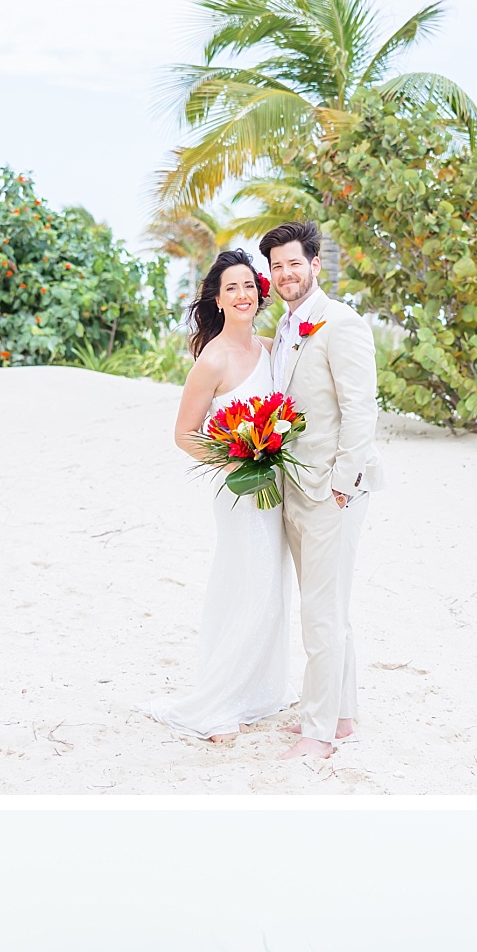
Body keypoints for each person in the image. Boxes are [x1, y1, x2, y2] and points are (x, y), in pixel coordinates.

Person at [259, 222, 382, 762]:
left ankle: (319, 734)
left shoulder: (341, 323)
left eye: (294, 263)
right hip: (296, 486)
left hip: (331, 492)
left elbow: (362, 409)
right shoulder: (287, 327)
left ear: (314, 264)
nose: (286, 274)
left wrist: (341, 486)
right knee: (329, 607)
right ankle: (343, 716)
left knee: (321, 616)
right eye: (277, 266)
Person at [157, 250, 292, 742]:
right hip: (237, 487)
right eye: (231, 288)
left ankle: (255, 691)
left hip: (275, 485)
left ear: (260, 294)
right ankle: (219, 701)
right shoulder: (211, 358)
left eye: (249, 287)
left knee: (271, 589)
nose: (242, 295)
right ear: (217, 298)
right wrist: (235, 457)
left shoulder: (271, 347)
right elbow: (184, 433)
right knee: (246, 582)